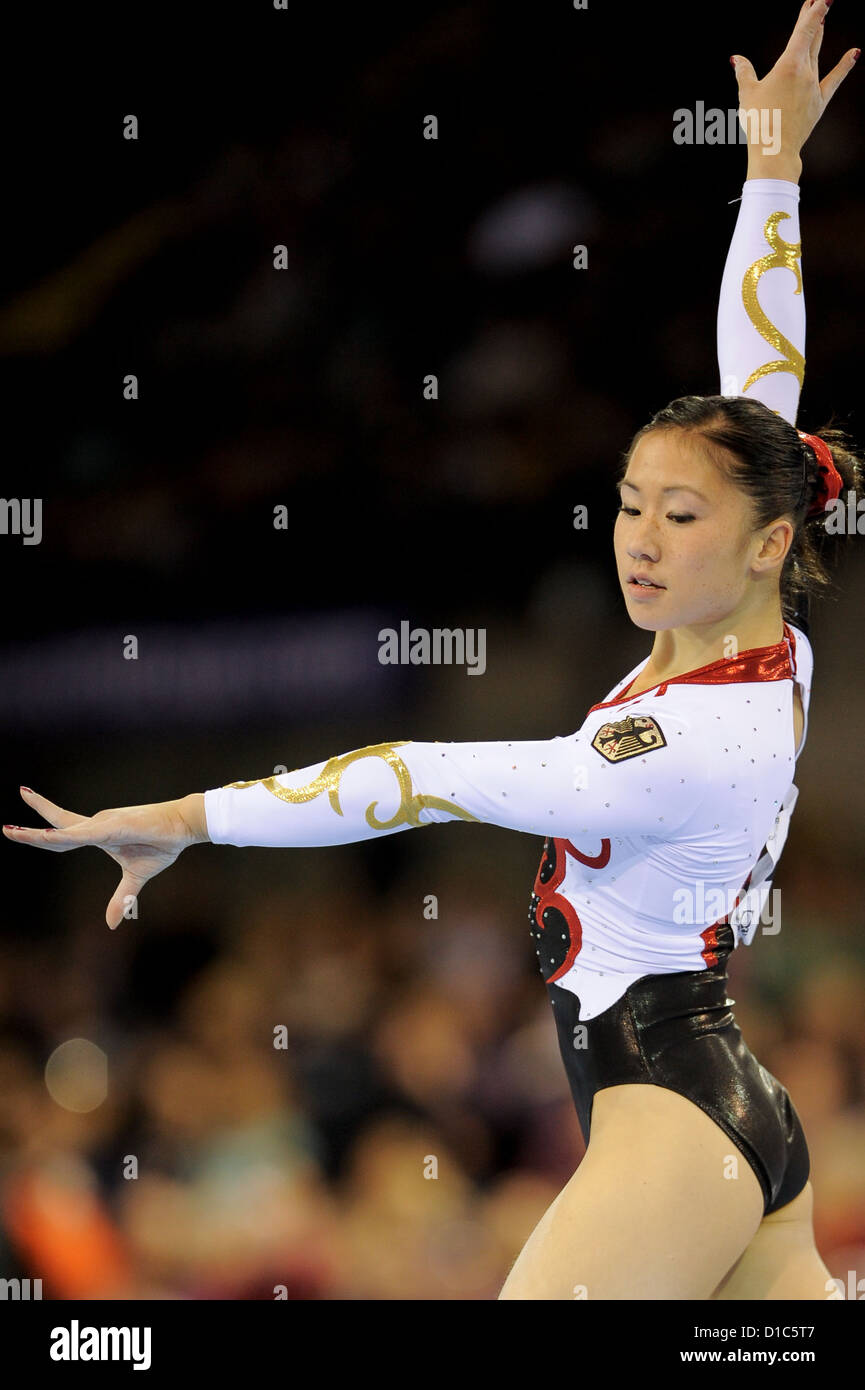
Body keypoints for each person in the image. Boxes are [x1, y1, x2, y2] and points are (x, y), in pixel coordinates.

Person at [4, 0, 860, 1300]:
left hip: (674, 1132)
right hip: (733, 1115)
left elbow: (410, 776)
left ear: (759, 541)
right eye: (629, 502)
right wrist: (774, 170)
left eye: (676, 516)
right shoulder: (758, 638)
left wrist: (183, 815)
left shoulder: (672, 745)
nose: (636, 538)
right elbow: (763, 384)